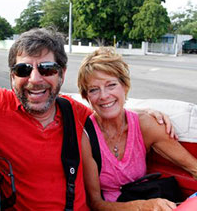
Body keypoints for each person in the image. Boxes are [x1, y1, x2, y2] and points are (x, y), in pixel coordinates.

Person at [0, 28, 173, 210]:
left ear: (62, 75)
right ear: (12, 75)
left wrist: (145, 115)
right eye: (24, 69)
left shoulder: (75, 112)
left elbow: (108, 107)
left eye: (48, 69)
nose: (35, 80)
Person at [77, 47, 197, 211]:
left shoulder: (145, 124)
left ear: (125, 87)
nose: (104, 96)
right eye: (93, 89)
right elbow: (95, 203)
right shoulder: (87, 137)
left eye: (111, 85)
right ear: (86, 97)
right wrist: (142, 206)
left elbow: (193, 167)